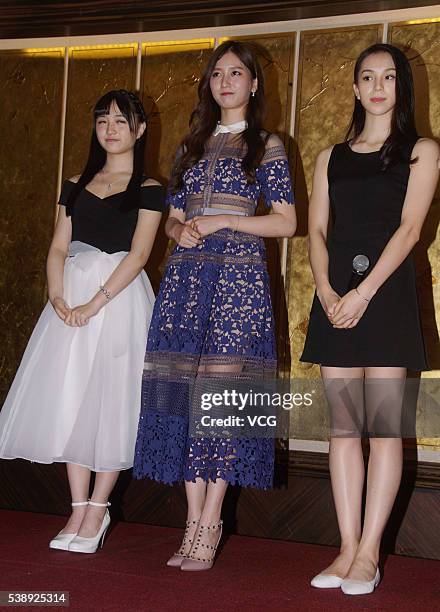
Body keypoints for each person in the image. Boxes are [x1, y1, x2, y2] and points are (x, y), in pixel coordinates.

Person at [134, 40, 296, 571]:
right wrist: (178, 230)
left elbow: (286, 221)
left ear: (254, 84)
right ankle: (190, 520)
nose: (225, 80)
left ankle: (210, 522)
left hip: (238, 283)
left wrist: (226, 221)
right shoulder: (191, 145)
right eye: (217, 73)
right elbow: (171, 216)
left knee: (221, 402)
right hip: (185, 281)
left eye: (236, 72)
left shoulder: (267, 144)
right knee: (184, 398)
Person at [300, 43, 439, 595]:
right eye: (367, 77)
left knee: (383, 431)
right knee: (342, 429)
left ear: (400, 89)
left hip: (385, 296)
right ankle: (344, 547)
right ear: (355, 88)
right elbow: (314, 231)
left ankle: (369, 553)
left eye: (389, 77)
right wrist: (330, 291)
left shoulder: (422, 151)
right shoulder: (329, 157)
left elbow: (410, 231)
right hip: (335, 298)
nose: (378, 86)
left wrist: (363, 293)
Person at [0, 89, 164, 553]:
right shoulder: (75, 183)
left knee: (113, 399)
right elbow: (57, 246)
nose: (110, 129)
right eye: (102, 121)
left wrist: (96, 301)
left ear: (139, 129)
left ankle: (99, 508)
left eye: (120, 120)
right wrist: (56, 294)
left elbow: (140, 254)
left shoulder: (150, 188)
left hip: (117, 300)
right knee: (70, 398)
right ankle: (76, 507)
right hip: (69, 299)